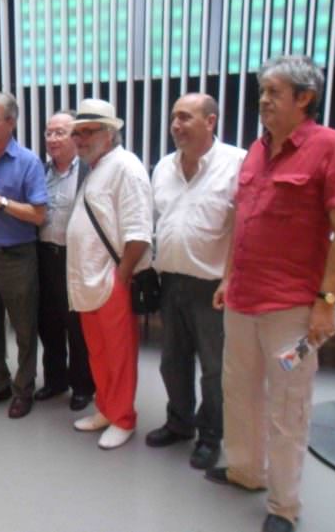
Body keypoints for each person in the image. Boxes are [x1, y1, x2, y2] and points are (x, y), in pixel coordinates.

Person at [206, 55, 335, 532]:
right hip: (243, 301)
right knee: (240, 392)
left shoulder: (333, 148)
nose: (263, 101)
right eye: (262, 92)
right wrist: (229, 278)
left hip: (291, 312)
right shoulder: (256, 150)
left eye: (274, 92)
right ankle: (246, 470)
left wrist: (327, 303)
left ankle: (283, 505)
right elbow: (243, 224)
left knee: (287, 407)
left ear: (305, 98)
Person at [146, 93, 246, 469]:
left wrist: (231, 278)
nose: (176, 125)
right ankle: (179, 422)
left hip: (213, 286)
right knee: (172, 362)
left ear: (211, 121)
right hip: (171, 281)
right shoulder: (163, 168)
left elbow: (243, 229)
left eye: (186, 117)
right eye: (174, 117)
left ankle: (210, 435)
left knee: (214, 368)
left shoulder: (236, 163)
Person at [66, 99, 153, 449]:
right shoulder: (97, 166)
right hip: (88, 282)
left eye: (88, 132)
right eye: (77, 132)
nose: (80, 139)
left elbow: (139, 234)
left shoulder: (126, 167)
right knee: (98, 354)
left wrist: (122, 276)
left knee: (119, 354)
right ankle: (106, 408)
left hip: (112, 280)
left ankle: (124, 417)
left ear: (110, 132)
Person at [0, 92, 47, 419]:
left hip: (16, 256)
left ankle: (23, 389)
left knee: (24, 328)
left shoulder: (28, 161)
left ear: (11, 122)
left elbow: (38, 214)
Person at [35, 110, 95, 411]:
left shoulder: (89, 171)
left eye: (60, 132)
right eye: (49, 132)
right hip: (45, 256)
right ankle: (55, 380)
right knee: (49, 323)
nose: (52, 138)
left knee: (77, 327)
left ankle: (83, 385)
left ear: (75, 137)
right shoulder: (39, 172)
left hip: (76, 260)